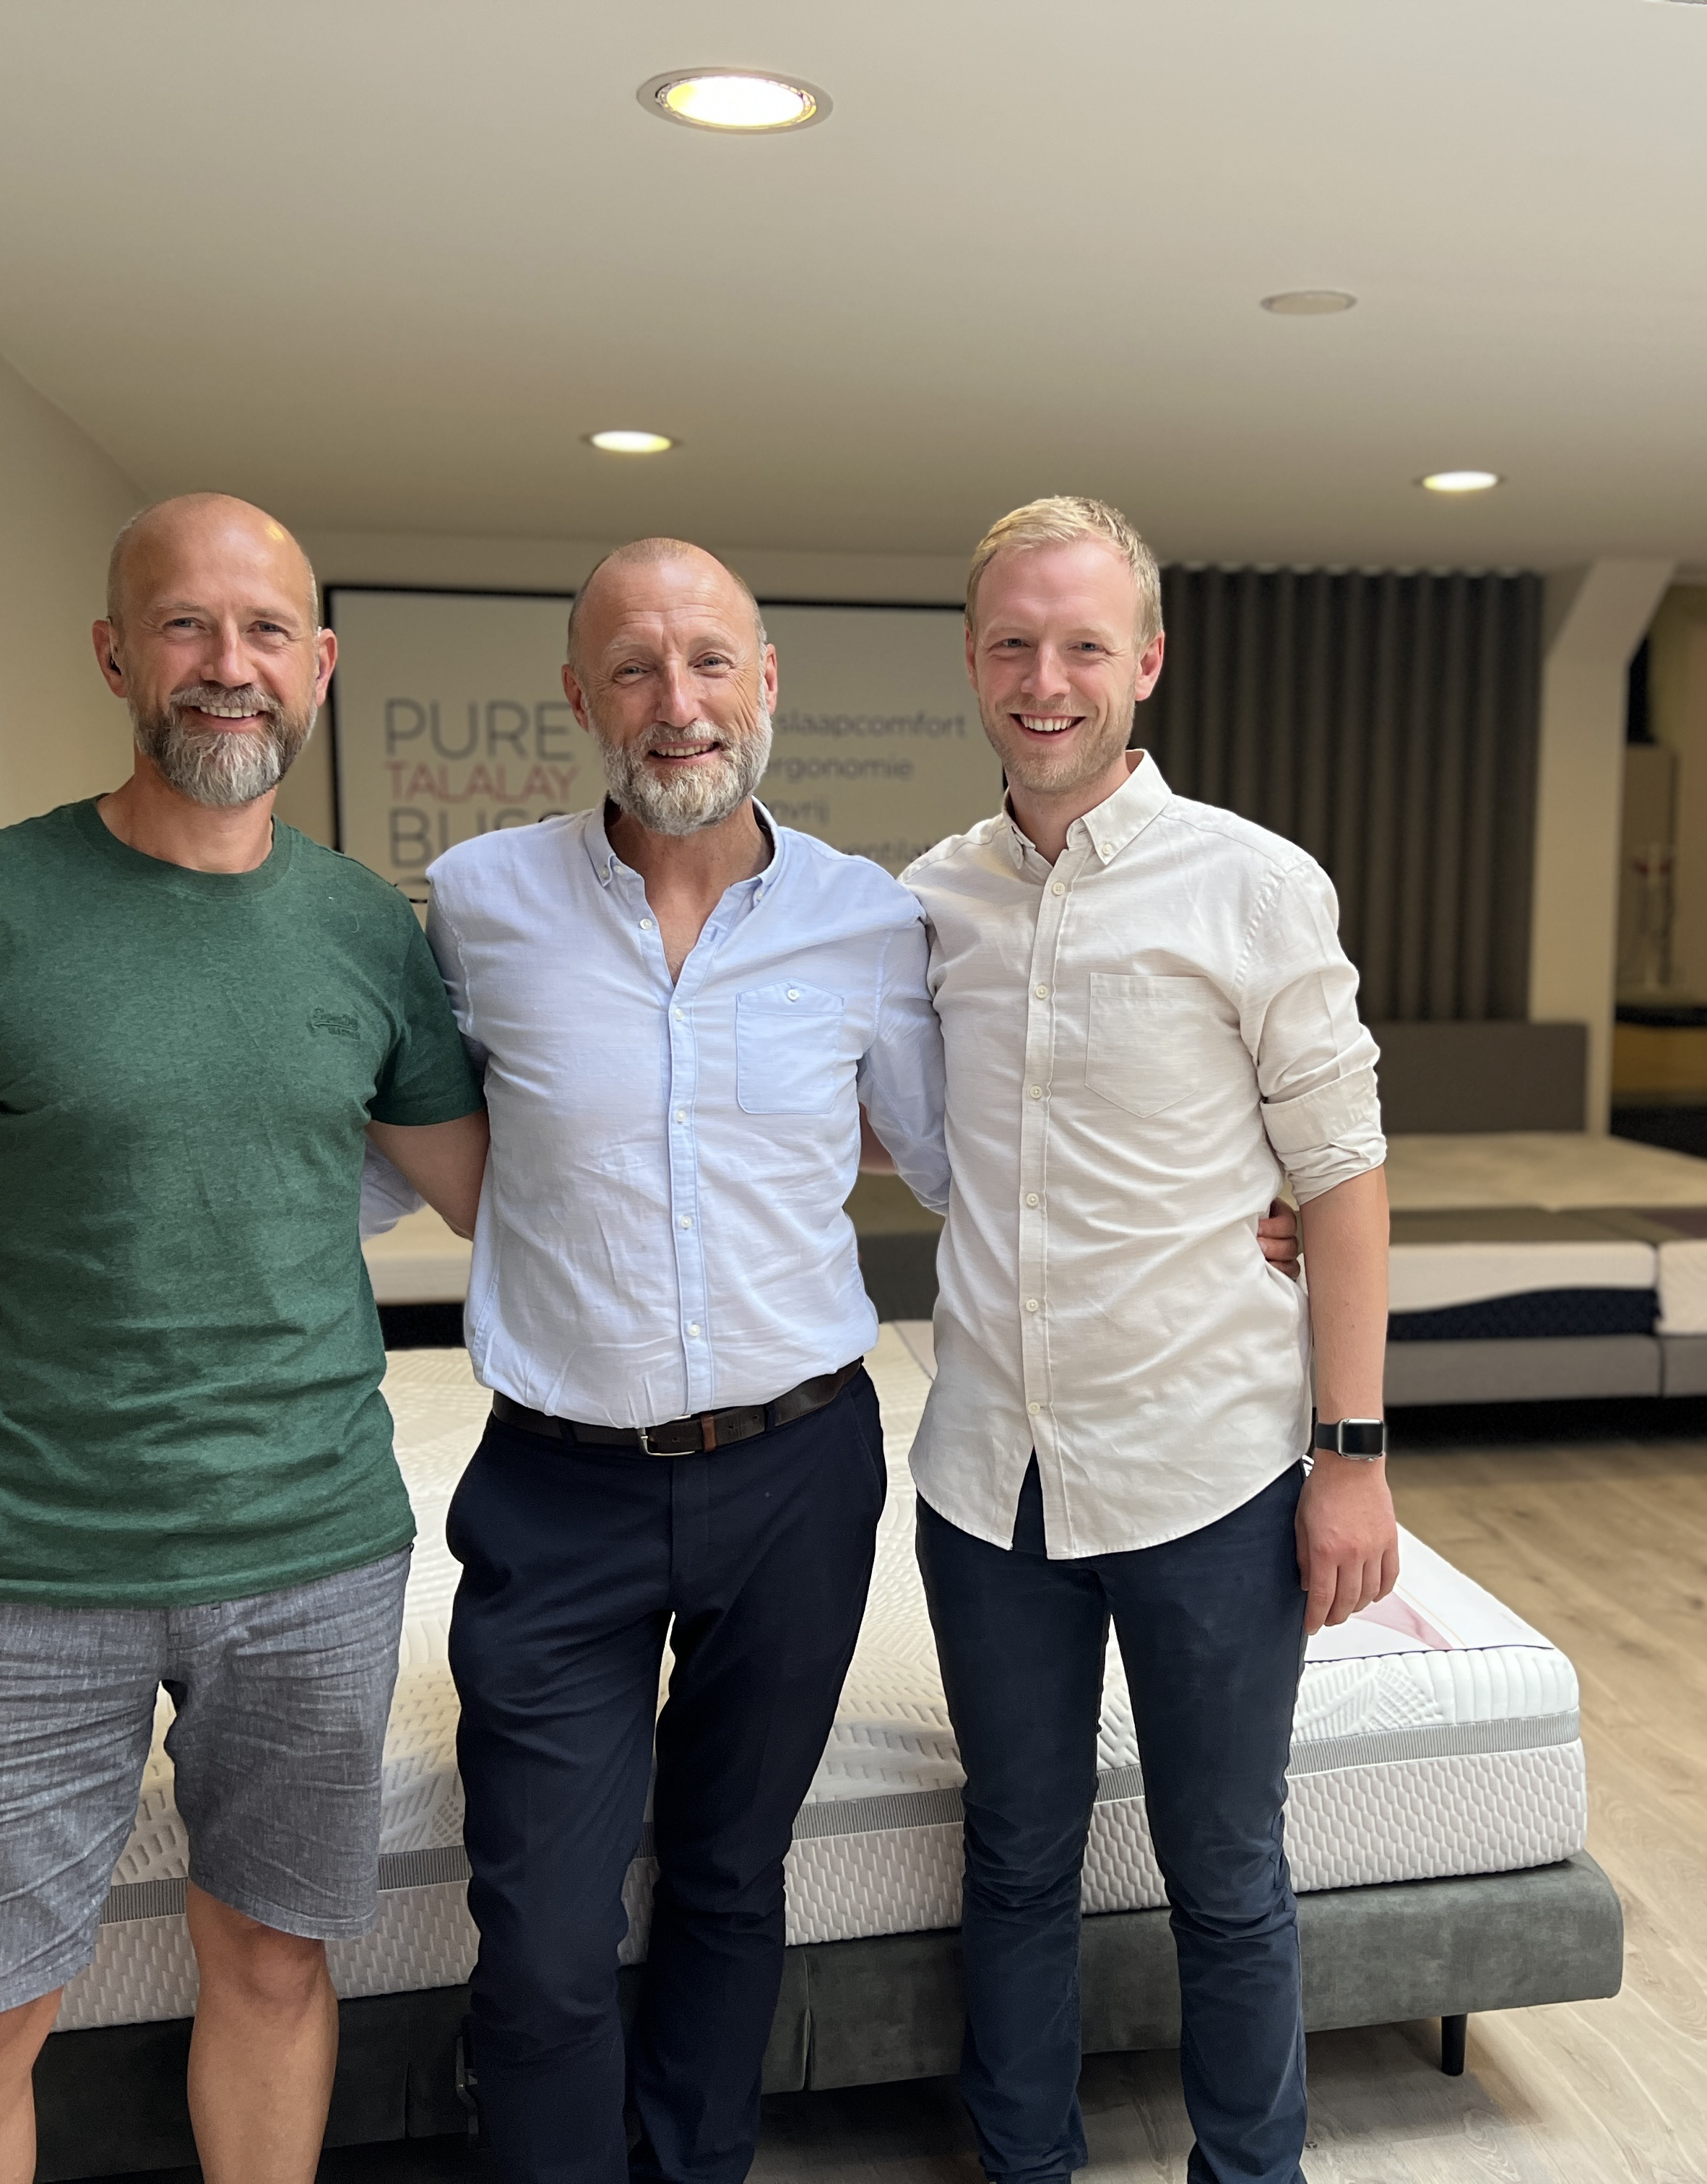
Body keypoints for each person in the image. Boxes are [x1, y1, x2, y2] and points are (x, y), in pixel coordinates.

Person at [381, 537, 1307, 2184]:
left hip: (796, 1481)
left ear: (767, 683)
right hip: (558, 1487)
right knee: (541, 1932)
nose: (678, 704)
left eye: (710, 663)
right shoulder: (476, 904)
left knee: (733, 1881)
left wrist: (1238, 1205)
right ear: (582, 696)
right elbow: (392, 1124)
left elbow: (971, 1157)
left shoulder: (871, 921)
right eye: (637, 669)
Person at [0, 493, 488, 2184]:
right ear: (117, 655)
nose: (227, 665)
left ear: (319, 665)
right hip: (19, 1566)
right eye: (187, 625)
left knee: (274, 1965)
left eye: (266, 632)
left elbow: (500, 1191)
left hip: (316, 1550)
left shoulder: (366, 931)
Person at [903, 496, 1394, 2184]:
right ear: (975, 661)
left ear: (1147, 664)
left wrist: (1351, 1460)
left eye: (1084, 646)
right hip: (990, 1484)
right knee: (1015, 1863)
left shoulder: (1255, 886)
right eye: (1015, 645)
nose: (1047, 680)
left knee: (1228, 1875)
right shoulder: (928, 903)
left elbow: (1342, 1177)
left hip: (1212, 1475)